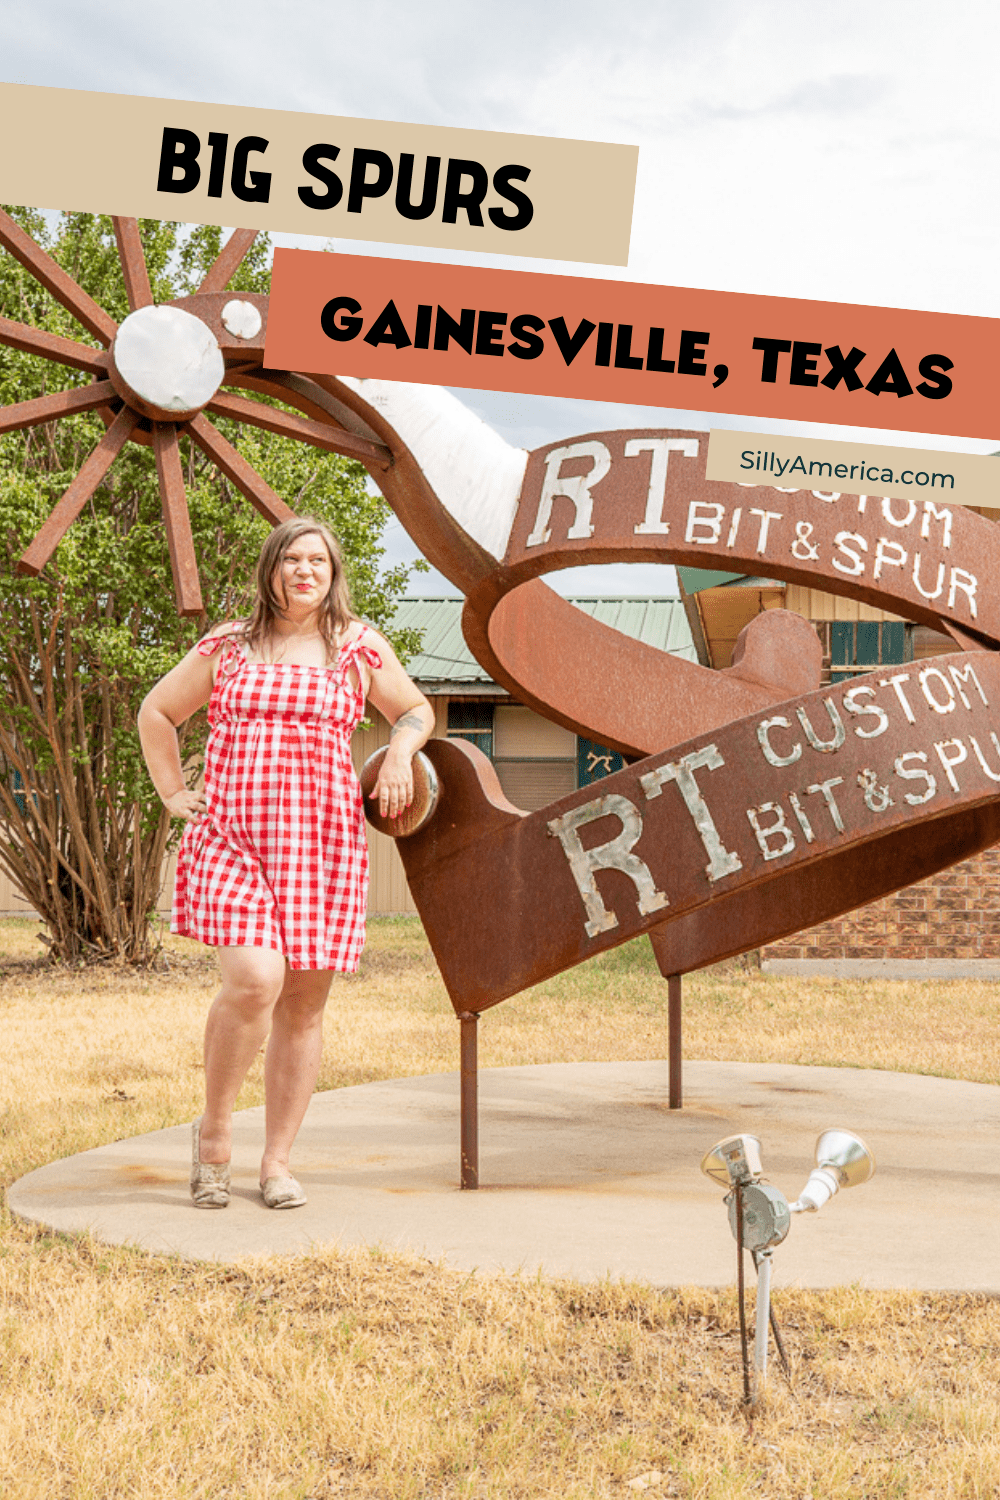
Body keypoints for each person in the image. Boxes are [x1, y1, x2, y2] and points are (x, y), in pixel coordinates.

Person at [138, 517, 433, 1210]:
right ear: (271, 570)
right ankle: (213, 1135)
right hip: (234, 839)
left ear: (333, 575)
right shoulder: (229, 647)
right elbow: (158, 711)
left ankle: (276, 1163)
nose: (305, 571)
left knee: (303, 1007)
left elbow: (415, 710)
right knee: (254, 981)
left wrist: (398, 752)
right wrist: (175, 792)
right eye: (292, 560)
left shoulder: (357, 648)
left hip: (322, 845)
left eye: (318, 562)